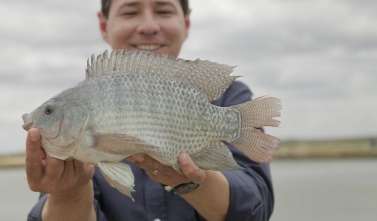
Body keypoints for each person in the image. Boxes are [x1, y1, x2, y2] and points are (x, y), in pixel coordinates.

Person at [26, 0, 274, 220]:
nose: (148, 26)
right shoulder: (76, 114)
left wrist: (197, 181)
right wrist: (68, 192)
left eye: (163, 10)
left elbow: (256, 209)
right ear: (104, 25)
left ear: (186, 22)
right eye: (130, 12)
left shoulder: (230, 97)